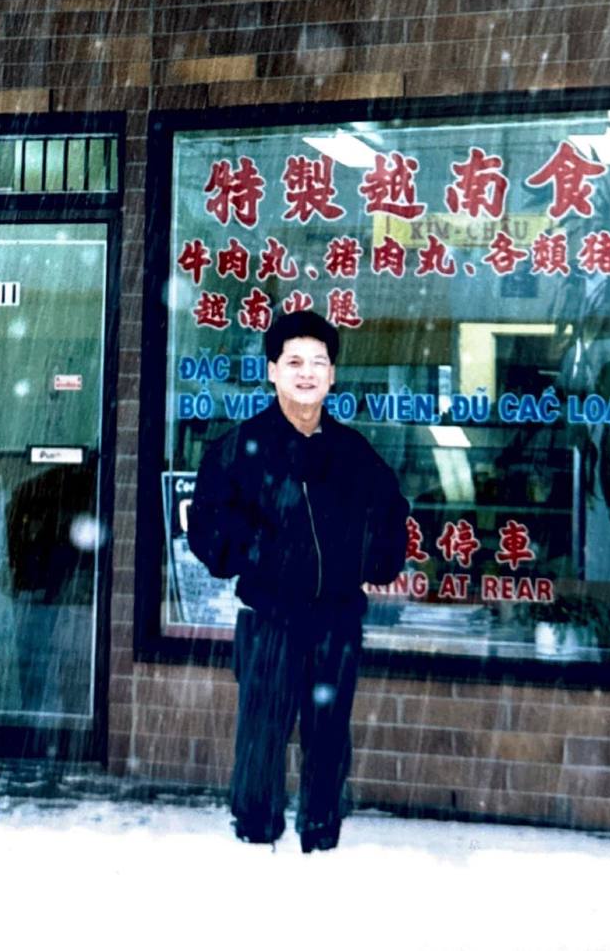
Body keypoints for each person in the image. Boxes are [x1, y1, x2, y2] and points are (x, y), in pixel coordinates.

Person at [187, 309, 409, 853]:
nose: (306, 373)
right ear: (272, 371)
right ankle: (255, 833)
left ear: (332, 375)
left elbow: (390, 515)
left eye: (318, 362)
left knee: (329, 733)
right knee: (262, 731)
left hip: (336, 617)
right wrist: (256, 553)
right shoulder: (240, 448)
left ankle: (321, 831)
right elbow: (207, 525)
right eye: (294, 362)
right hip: (269, 616)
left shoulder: (353, 453)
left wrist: (375, 565)